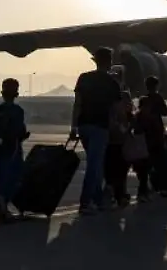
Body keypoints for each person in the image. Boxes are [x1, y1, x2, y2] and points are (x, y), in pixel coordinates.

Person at [69, 47, 121, 216]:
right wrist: (116, 126)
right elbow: (114, 109)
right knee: (94, 164)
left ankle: (99, 201)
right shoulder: (112, 83)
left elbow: (77, 104)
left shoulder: (84, 78)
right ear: (110, 61)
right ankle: (85, 202)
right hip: (100, 126)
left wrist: (73, 126)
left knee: (96, 164)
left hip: (84, 125)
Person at [0, 78, 29, 223]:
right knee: (16, 176)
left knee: (0, 175)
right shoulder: (17, 111)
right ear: (16, 93)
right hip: (13, 148)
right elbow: (20, 131)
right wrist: (23, 136)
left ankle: (2, 208)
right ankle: (3, 200)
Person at [136, 76, 167, 196]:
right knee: (160, 162)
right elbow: (166, 112)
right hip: (156, 134)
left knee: (146, 163)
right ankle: (159, 186)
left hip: (146, 136)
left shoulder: (144, 99)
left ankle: (145, 188)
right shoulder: (157, 97)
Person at [104, 89, 134, 208]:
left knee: (117, 173)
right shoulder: (118, 116)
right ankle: (119, 196)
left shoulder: (124, 115)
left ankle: (118, 196)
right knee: (118, 173)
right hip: (117, 145)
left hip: (118, 145)